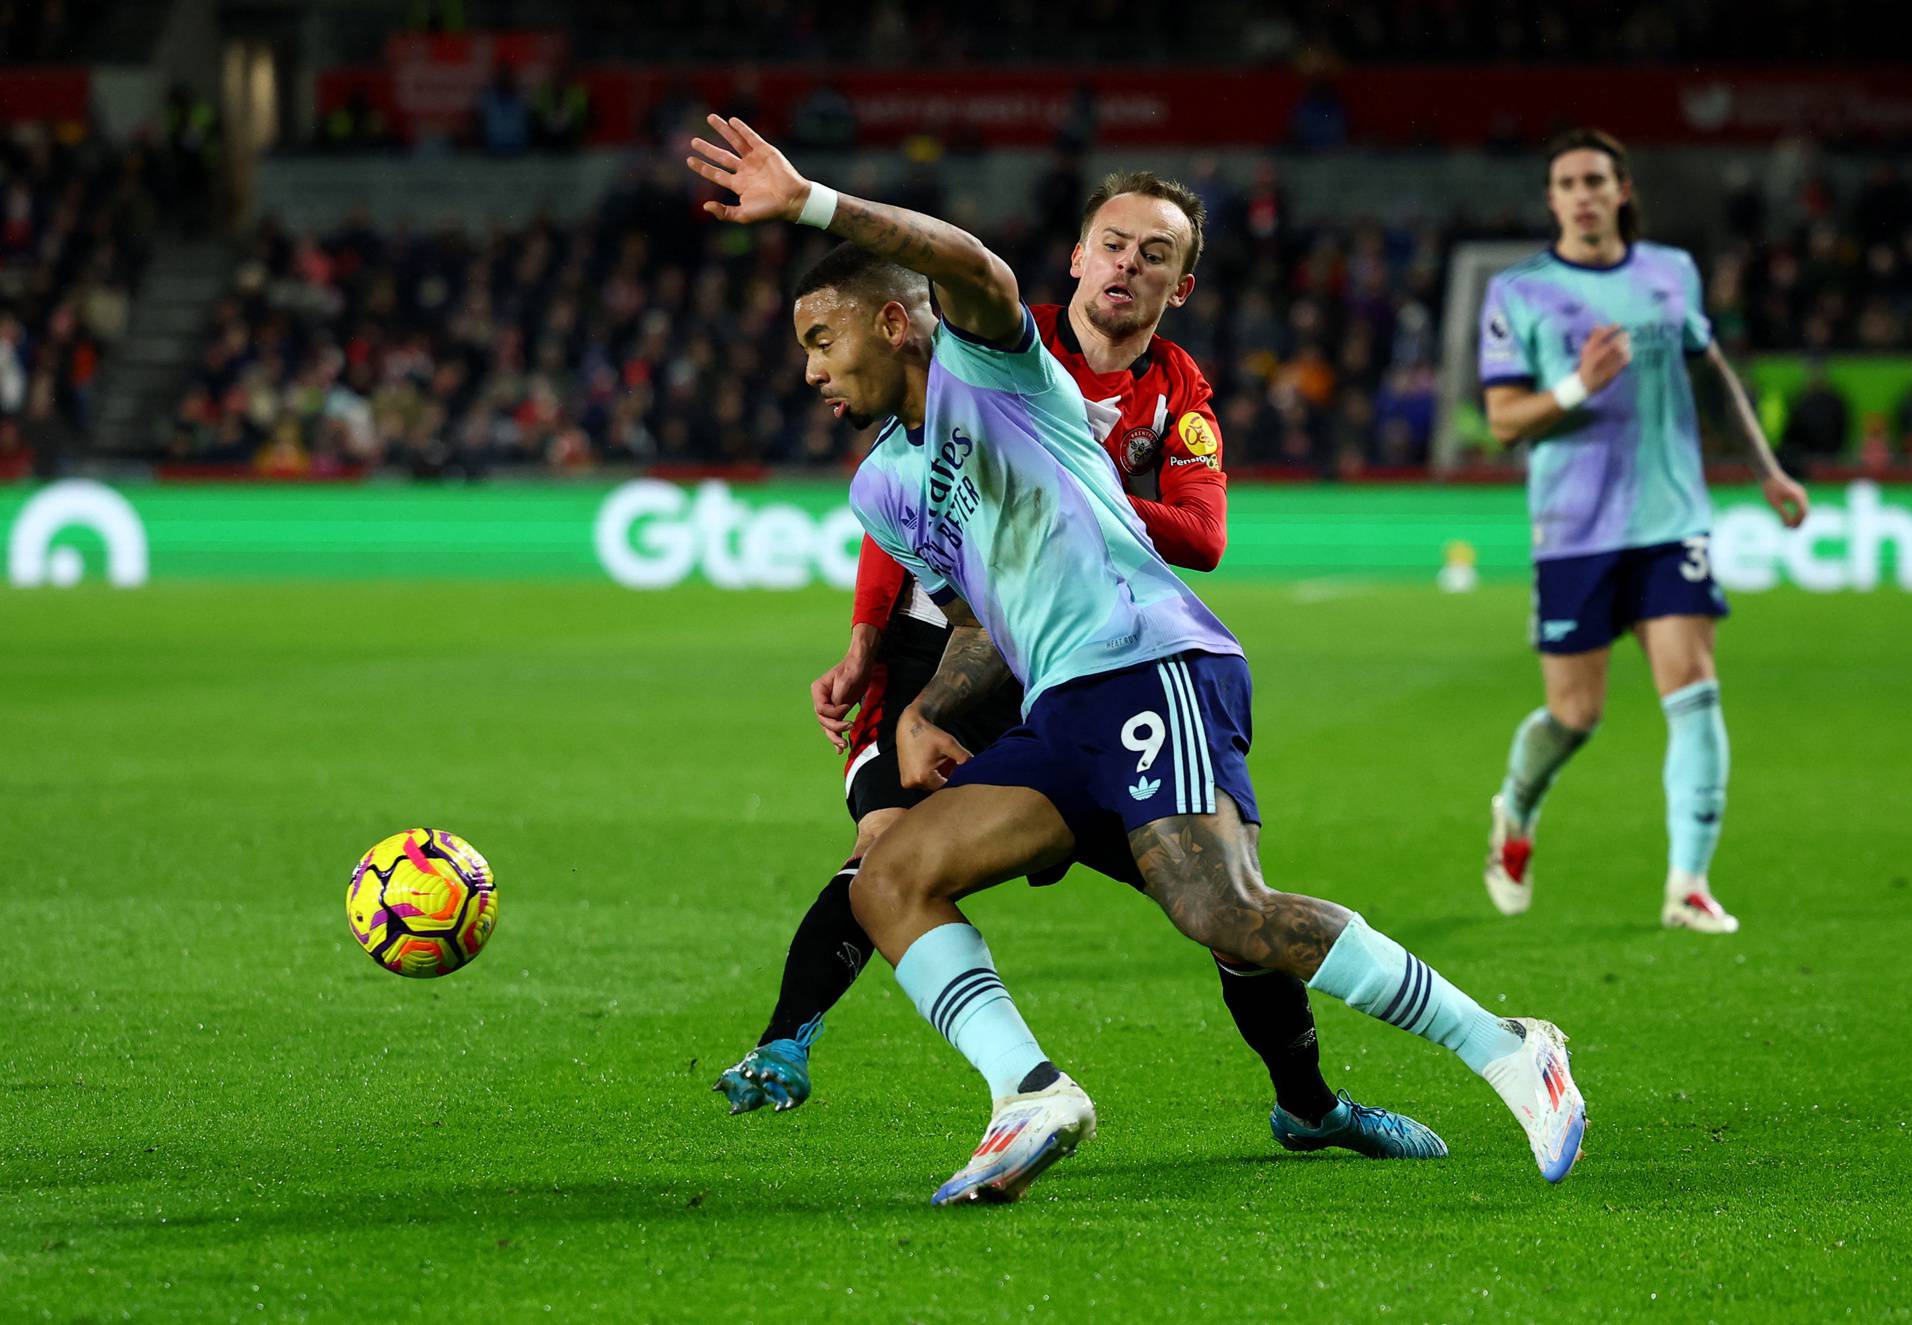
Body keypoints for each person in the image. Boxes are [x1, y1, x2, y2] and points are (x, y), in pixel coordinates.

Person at [687, 114, 1586, 1204]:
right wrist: (923, 708)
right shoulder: (880, 484)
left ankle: (1506, 1045)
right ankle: (1027, 1090)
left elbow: (970, 264)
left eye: (822, 341)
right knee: (892, 874)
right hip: (1060, 702)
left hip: (1151, 662)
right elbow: (986, 609)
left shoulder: (998, 366)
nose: (813, 371)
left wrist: (815, 202)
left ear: (891, 321)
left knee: (1225, 912)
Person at [1477, 128, 1809, 934]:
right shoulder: (1517, 293)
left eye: (1596, 178)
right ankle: (1516, 810)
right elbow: (1503, 421)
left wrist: (1766, 466)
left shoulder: (1672, 274)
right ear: (1552, 199)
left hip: (1672, 518)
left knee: (1694, 692)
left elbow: (1712, 369)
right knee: (1575, 714)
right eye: (1567, 182)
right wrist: (1575, 384)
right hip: (1573, 530)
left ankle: (1687, 883)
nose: (1582, 193)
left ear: (1621, 190)